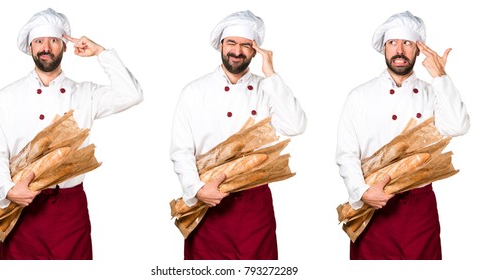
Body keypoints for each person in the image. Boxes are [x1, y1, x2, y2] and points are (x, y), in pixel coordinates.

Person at [0, 8, 143, 260]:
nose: (46, 47)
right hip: (23, 206)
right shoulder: (7, 96)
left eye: (53, 40)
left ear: (64, 46)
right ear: (30, 47)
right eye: (39, 41)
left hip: (70, 208)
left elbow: (132, 95)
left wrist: (101, 53)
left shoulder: (85, 94)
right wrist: (7, 189)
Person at [170, 10, 306, 260]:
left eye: (246, 45)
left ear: (255, 51)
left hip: (254, 205)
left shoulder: (268, 89)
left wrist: (271, 74)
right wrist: (197, 189)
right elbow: (181, 150)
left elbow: (296, 125)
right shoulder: (194, 91)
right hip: (208, 199)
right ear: (220, 45)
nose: (237, 50)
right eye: (231, 42)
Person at [336, 11, 470, 259]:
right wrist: (363, 192)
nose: (399, 49)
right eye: (392, 43)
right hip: (374, 205)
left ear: (419, 50)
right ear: (384, 49)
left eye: (407, 43)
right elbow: (346, 154)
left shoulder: (433, 92)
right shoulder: (359, 96)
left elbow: (459, 126)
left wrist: (440, 76)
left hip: (419, 209)